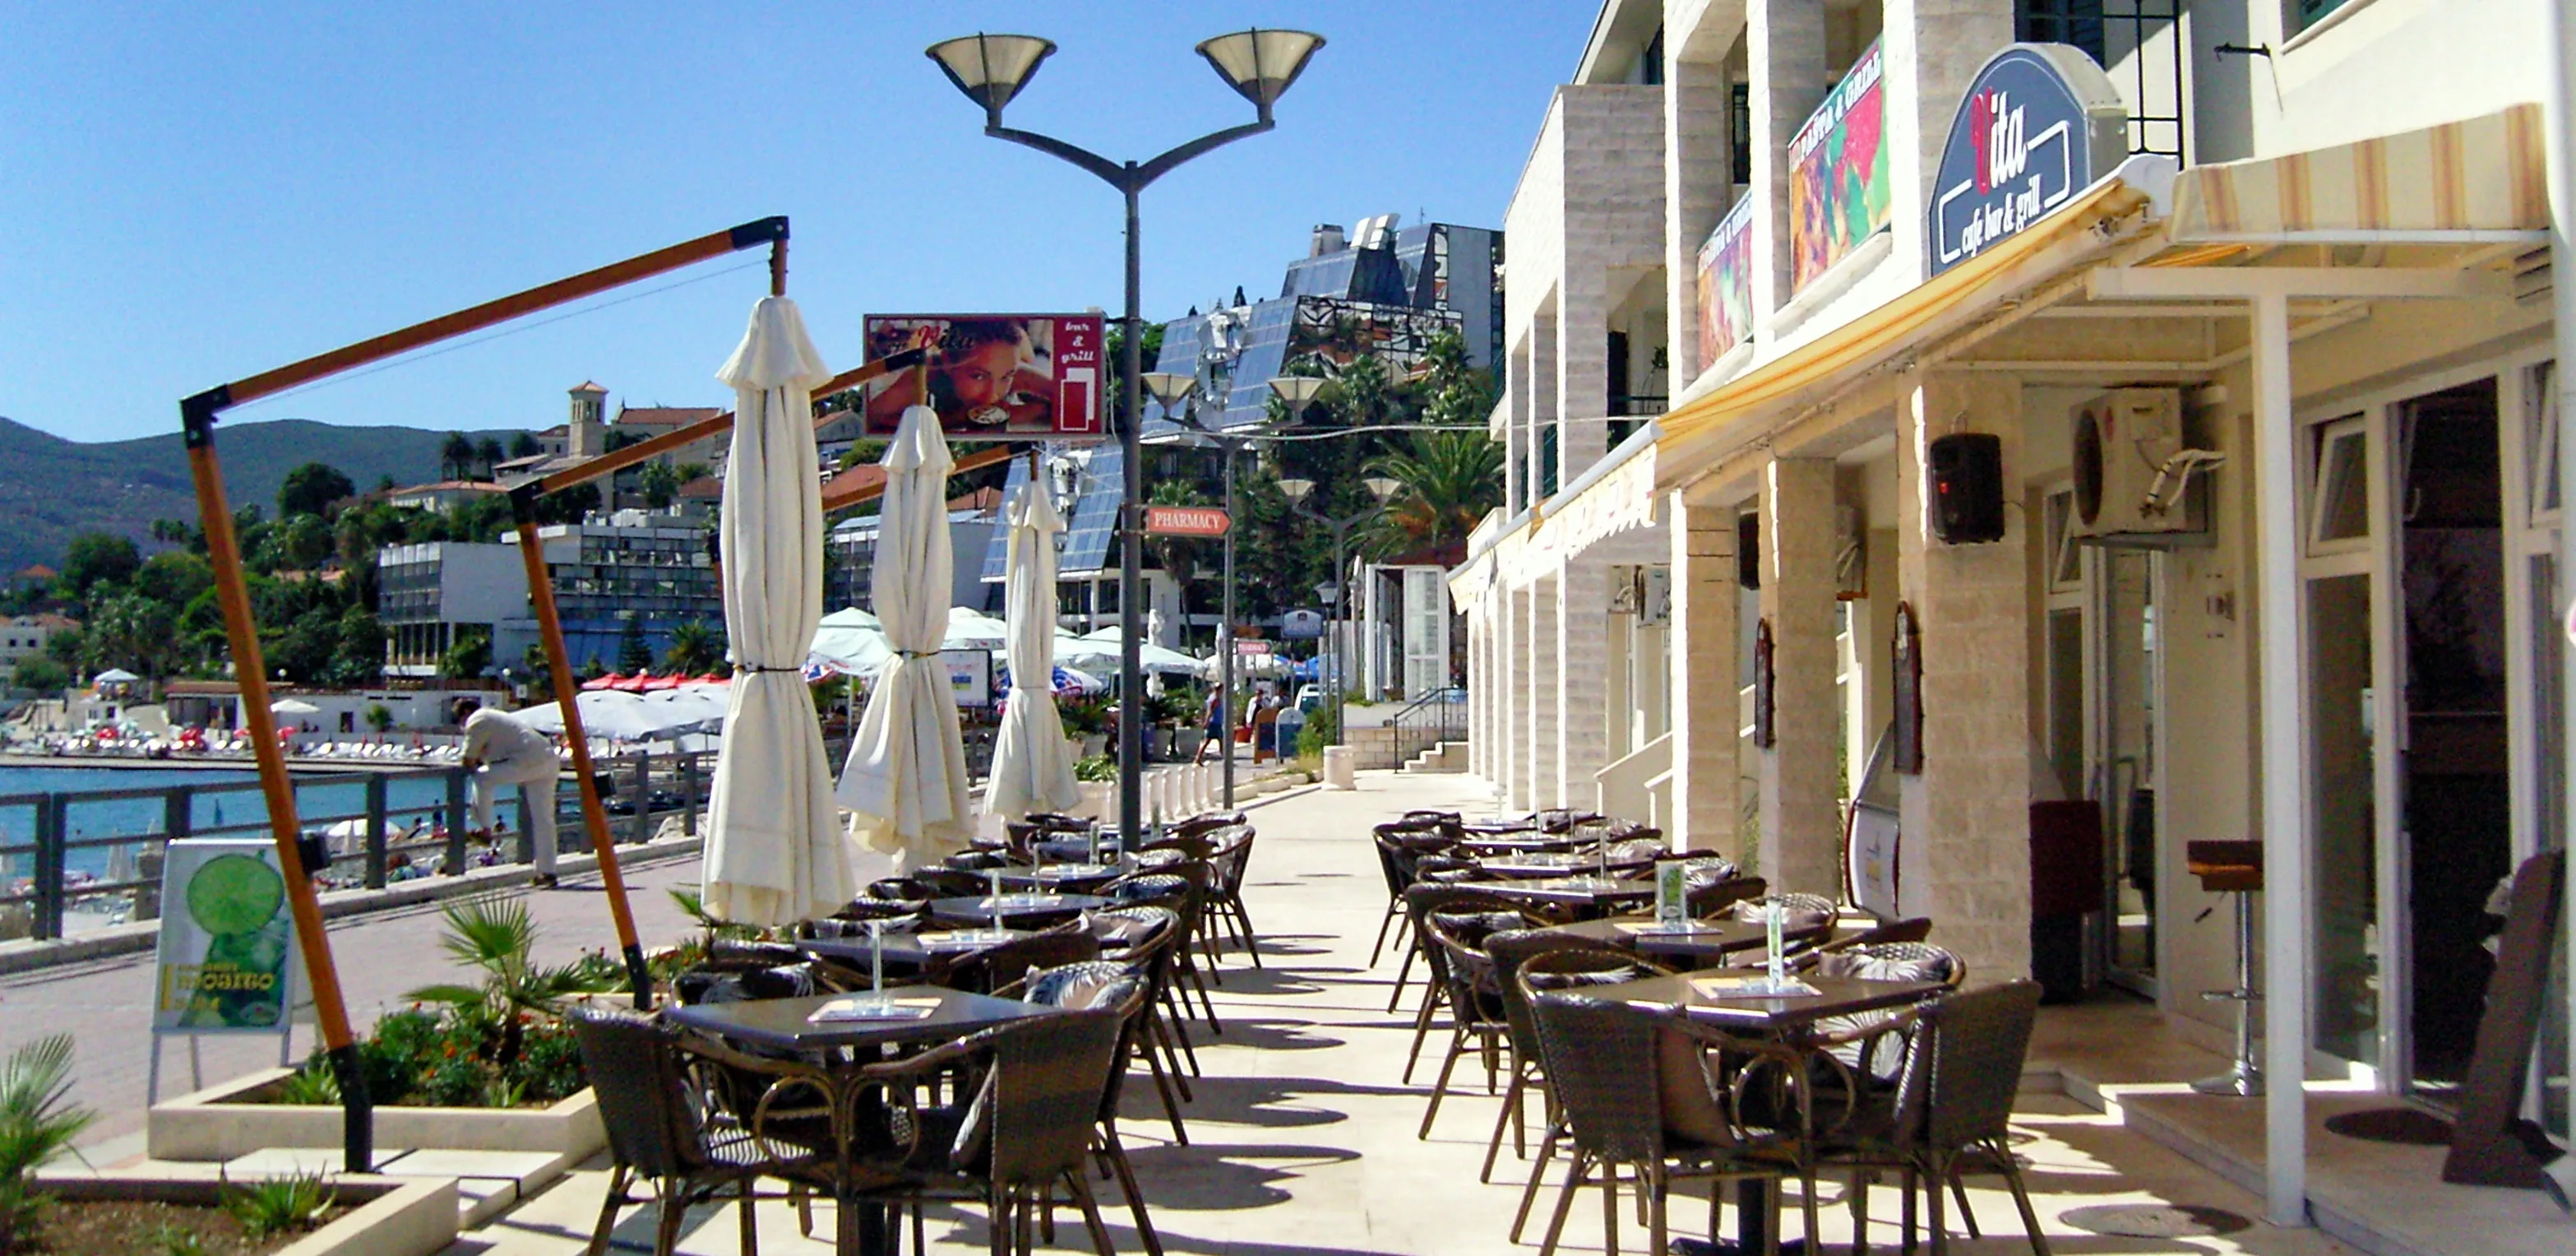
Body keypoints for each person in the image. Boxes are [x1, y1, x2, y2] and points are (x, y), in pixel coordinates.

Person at [864, 318, 1054, 432]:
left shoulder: (1014, 370)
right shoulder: (927, 373)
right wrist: (955, 418)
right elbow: (873, 418)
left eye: (1006, 377)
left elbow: (1073, 402)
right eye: (978, 376)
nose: (992, 396)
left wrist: (1034, 411)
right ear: (948, 361)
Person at [461, 707, 562, 888]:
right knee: (544, 820)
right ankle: (547, 872)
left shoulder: (477, 720)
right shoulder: (497, 717)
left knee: (483, 778)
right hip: (548, 759)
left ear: (463, 715)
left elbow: (468, 759)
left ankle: (484, 828)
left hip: (526, 760)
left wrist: (474, 760)